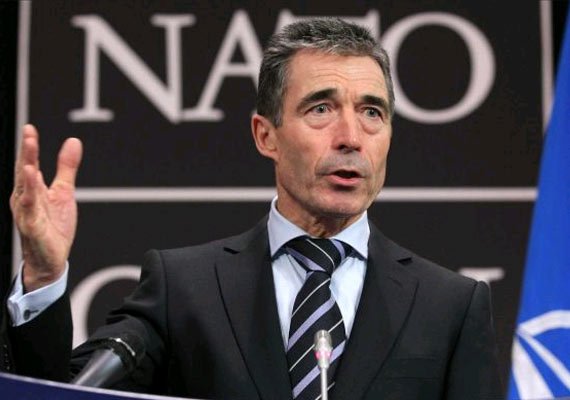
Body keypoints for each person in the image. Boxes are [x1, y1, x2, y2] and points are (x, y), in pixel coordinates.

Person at [2, 18, 502, 399]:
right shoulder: (185, 289)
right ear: (266, 136)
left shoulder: (450, 307)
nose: (351, 137)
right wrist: (44, 275)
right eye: (321, 108)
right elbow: (60, 395)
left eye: (372, 112)